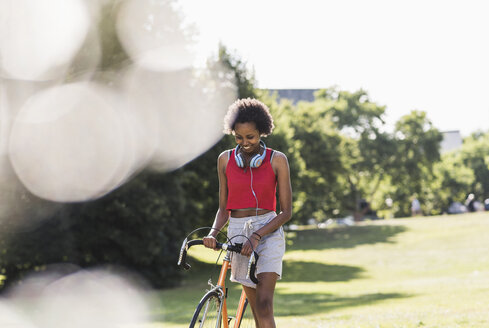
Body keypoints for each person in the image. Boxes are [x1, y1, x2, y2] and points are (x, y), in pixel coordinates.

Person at [203, 98, 292, 328]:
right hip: (237, 233)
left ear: (261, 132)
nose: (244, 143)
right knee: (255, 309)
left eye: (250, 137)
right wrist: (213, 233)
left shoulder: (277, 160)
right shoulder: (224, 160)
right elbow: (224, 209)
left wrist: (257, 235)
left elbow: (286, 212)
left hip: (268, 231)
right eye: (238, 137)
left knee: (263, 305)